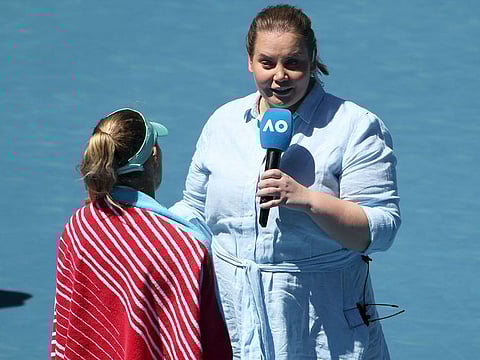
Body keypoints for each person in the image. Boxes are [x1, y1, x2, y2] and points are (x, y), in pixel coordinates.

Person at [170, 4, 401, 360]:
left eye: (293, 63)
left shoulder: (354, 127)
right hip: (235, 316)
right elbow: (195, 212)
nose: (280, 76)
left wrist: (307, 200)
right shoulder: (223, 123)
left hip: (322, 326)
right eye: (267, 63)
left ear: (312, 60)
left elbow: (379, 230)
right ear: (250, 61)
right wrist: (139, 228)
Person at [50, 108, 232, 360]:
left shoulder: (79, 227)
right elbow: (209, 346)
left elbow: (69, 325)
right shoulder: (183, 250)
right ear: (154, 157)